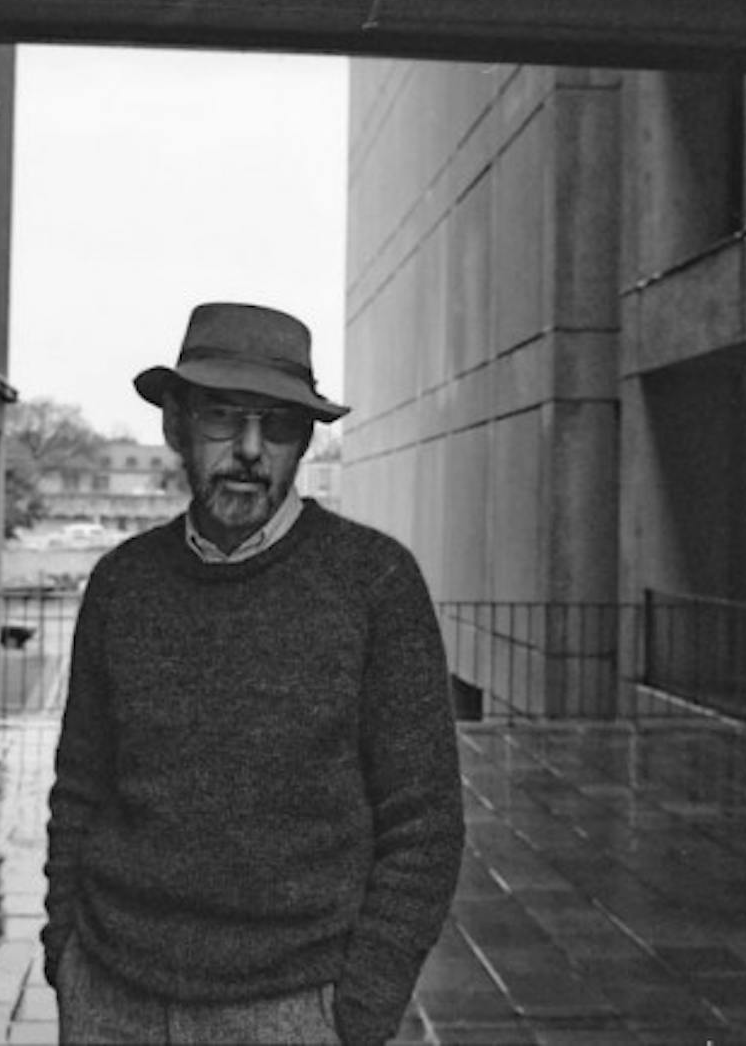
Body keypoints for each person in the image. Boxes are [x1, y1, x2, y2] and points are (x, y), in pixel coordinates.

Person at [41, 302, 465, 1046]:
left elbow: (424, 824)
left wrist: (358, 1011)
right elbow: (80, 784)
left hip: (292, 1007)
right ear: (175, 423)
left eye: (277, 426)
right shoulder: (122, 583)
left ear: (304, 440)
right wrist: (63, 953)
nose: (248, 449)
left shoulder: (375, 583)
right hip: (110, 994)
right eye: (223, 417)